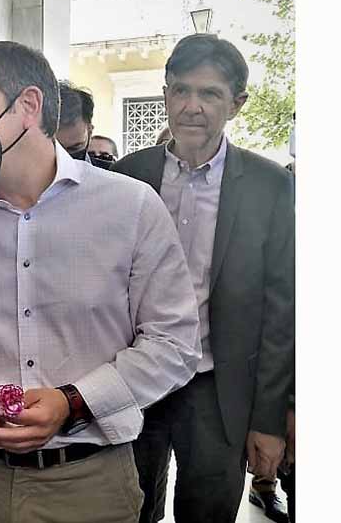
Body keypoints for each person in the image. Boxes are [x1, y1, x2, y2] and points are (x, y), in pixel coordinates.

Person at [0, 41, 202, 523]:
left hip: (87, 482)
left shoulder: (131, 207)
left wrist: (73, 403)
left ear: (28, 105)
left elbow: (174, 342)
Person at [111, 34, 295, 523]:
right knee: (127, 508)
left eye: (210, 93)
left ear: (236, 104)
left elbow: (282, 310)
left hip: (218, 389)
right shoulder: (129, 175)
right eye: (180, 90)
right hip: (134, 378)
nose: (191, 107)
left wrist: (270, 420)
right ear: (165, 94)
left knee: (209, 512)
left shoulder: (269, 185)